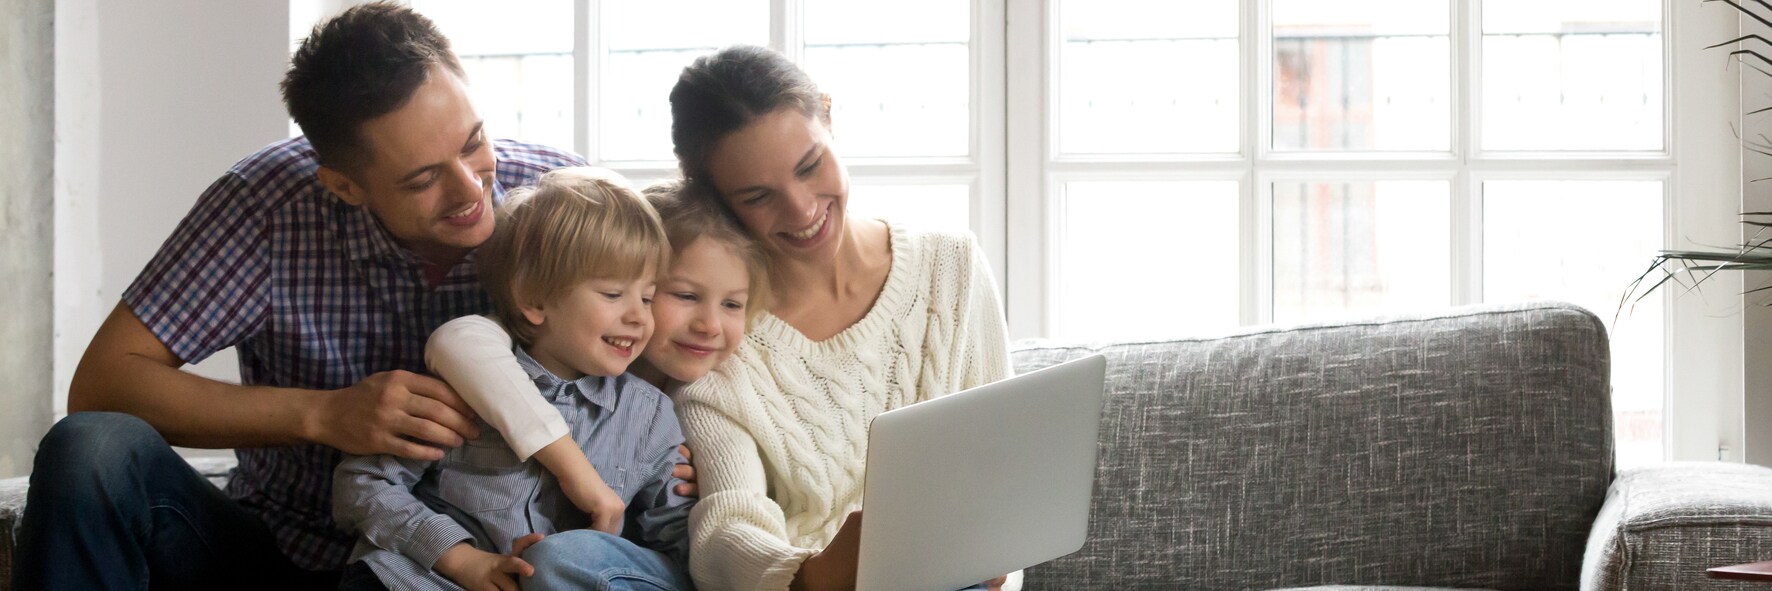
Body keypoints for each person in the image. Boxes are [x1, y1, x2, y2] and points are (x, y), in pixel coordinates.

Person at [9, 4, 691, 589]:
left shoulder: (556, 200)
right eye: (424, 178)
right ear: (343, 185)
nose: (470, 189)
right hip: (283, 551)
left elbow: (684, 308)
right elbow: (103, 384)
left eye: (474, 142)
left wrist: (692, 450)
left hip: (489, 564)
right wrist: (323, 415)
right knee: (93, 449)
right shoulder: (265, 207)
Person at [666, 46, 1014, 591]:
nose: (803, 211)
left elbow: (1007, 471)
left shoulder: (953, 269)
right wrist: (812, 574)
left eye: (810, 166)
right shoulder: (717, 336)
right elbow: (726, 525)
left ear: (827, 116)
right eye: (758, 196)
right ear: (715, 197)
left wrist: (993, 560)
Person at [333, 167, 695, 591]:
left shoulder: (650, 416)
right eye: (613, 294)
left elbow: (674, 537)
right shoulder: (466, 387)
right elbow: (362, 484)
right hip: (439, 577)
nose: (638, 316)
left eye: (647, 296)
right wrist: (460, 557)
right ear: (534, 300)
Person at [420, 178, 771, 553]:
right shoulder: (508, 363)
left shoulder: (675, 408)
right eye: (684, 295)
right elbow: (459, 342)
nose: (710, 325)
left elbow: (689, 529)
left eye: (733, 305)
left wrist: (703, 499)